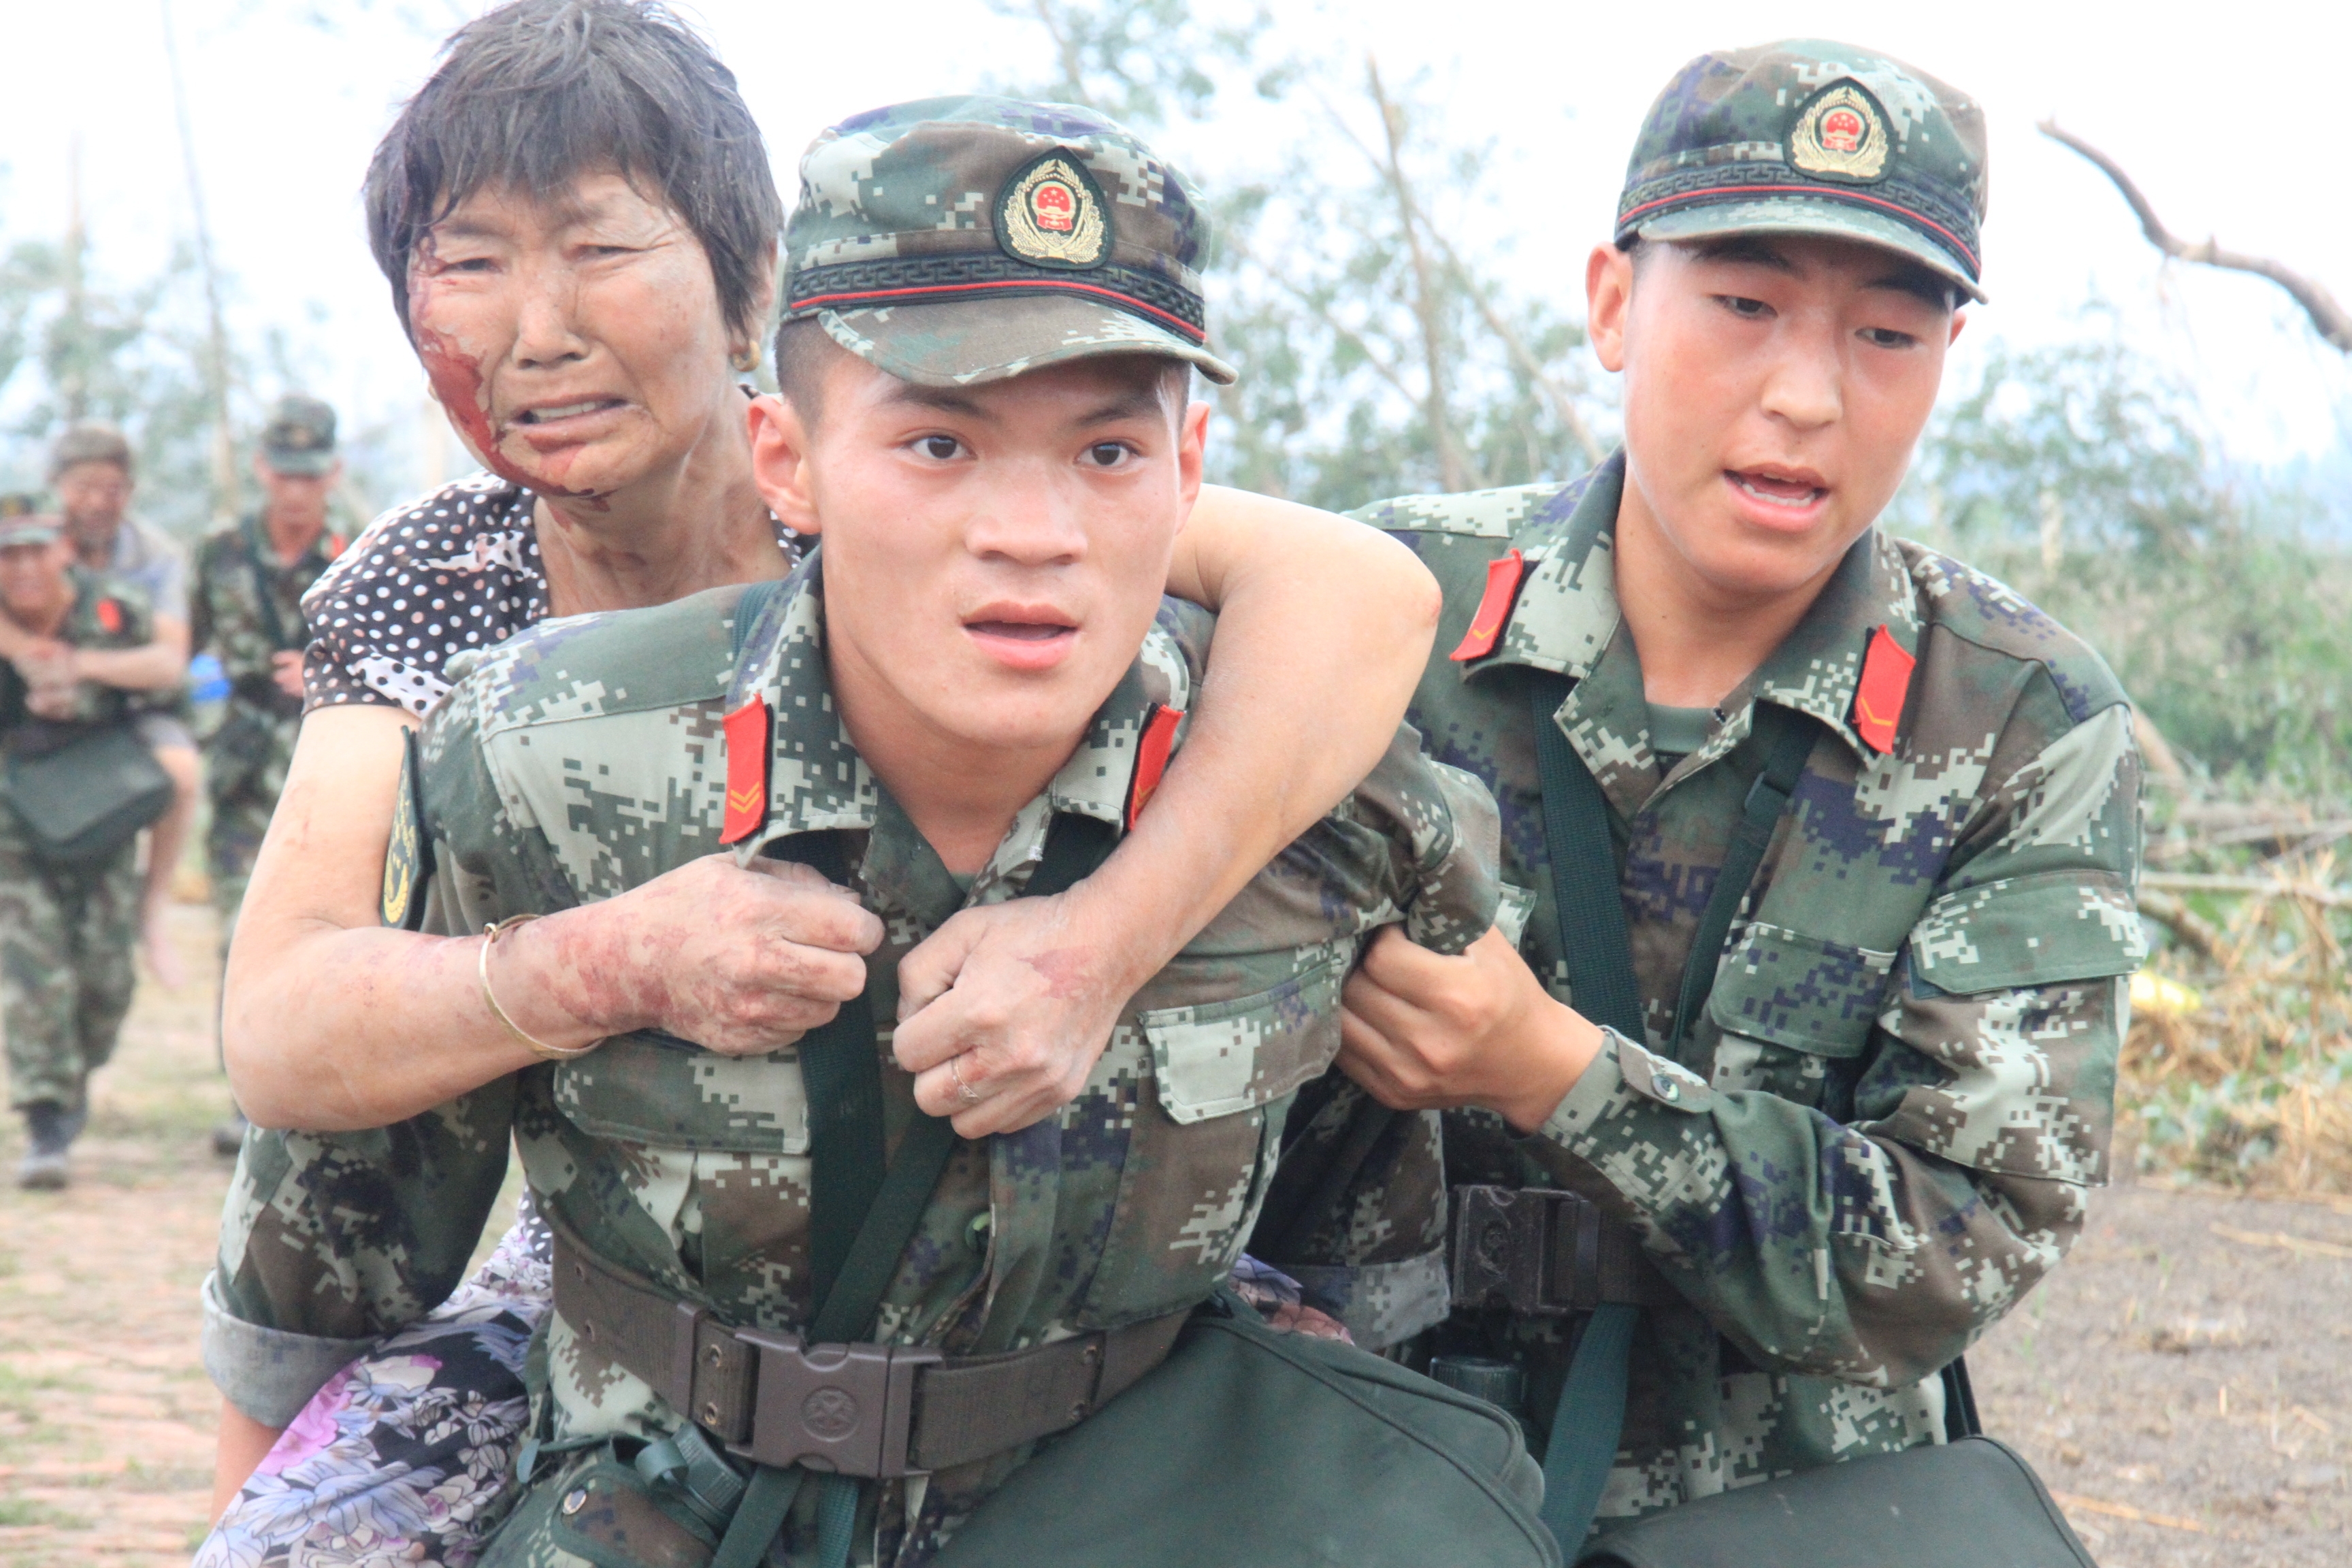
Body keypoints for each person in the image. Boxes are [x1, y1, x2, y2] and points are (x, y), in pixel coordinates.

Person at [202, 0, 1442, 1543]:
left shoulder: (915, 493)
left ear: (746, 291)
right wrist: (615, 961)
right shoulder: (438, 592)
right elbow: (291, 1031)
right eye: (469, 261)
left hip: (1059, 1252)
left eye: (597, 248)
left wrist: (1101, 943)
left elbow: (1359, 597)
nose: (534, 330)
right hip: (644, 1248)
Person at [1320, 39, 2146, 1546]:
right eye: (1747, 306)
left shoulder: (2019, 722)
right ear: (1615, 304)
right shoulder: (1379, 610)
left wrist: (1550, 1071)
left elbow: (1956, 1249)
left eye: (1888, 336)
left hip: (1787, 1514)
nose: (1807, 397)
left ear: (1946, 361)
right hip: (1367, 1479)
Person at [0, 508, 184, 1187]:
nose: (21, 568)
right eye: (6, 554)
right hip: (15, 804)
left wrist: (84, 675)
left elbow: (170, 680)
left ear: (65, 551)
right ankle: (46, 1122)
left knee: (107, 974)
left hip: (100, 802)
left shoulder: (116, 610)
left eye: (34, 550)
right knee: (34, 961)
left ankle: (75, 1070)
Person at [189, 393, 348, 1154]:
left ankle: (317, 1093)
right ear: (262, 469)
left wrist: (324, 670)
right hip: (245, 769)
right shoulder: (219, 552)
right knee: (237, 934)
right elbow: (179, 649)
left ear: (332, 473)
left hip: (336, 767)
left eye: (309, 475)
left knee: (331, 931)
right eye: (283, 473)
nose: (295, 491)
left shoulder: (365, 548)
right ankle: (246, 1099)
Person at [7, 423, 199, 987]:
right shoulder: (22, 541)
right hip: (28, 704)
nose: (96, 502)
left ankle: (153, 911)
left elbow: (168, 660)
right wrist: (31, 658)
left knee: (182, 771)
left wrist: (79, 666)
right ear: (55, 487)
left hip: (128, 703)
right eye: (82, 487)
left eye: (112, 488)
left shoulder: (154, 556)